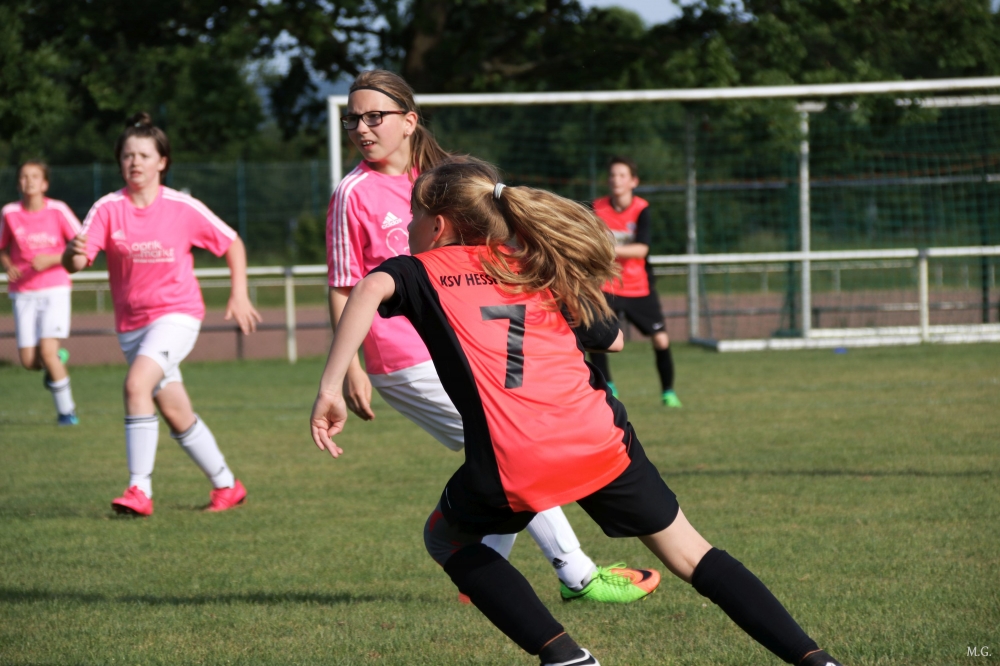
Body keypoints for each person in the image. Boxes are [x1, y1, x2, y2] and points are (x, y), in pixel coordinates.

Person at [310, 158, 844, 666]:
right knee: (692, 555)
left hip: (516, 456)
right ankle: (814, 658)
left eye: (413, 216)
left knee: (445, 539)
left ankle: (564, 654)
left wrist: (331, 385)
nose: (408, 226)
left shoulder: (421, 270)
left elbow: (369, 287)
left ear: (439, 225)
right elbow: (612, 341)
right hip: (599, 437)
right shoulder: (532, 265)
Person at [326, 69, 656, 602]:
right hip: (405, 356)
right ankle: (576, 574)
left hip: (475, 344)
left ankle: (483, 571)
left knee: (510, 453)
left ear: (409, 121)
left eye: (374, 116)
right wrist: (349, 369)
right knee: (514, 447)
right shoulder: (352, 193)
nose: (362, 128)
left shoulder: (444, 178)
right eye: (353, 119)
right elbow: (347, 285)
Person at [62, 112, 261, 516]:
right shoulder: (107, 208)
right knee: (175, 411)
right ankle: (227, 486)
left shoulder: (181, 207)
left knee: (136, 385)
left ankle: (139, 489)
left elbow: (232, 243)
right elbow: (78, 261)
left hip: (177, 314)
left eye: (143, 155)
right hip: (131, 326)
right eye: (127, 155)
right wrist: (70, 255)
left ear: (162, 162)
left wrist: (239, 294)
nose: (134, 162)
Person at [589, 156, 681, 407]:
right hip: (606, 285)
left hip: (638, 287)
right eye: (612, 175)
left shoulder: (641, 209)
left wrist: (607, 248)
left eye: (622, 175)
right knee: (596, 337)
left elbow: (641, 249)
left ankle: (668, 392)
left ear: (633, 181)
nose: (616, 180)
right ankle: (607, 385)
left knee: (661, 339)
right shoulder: (596, 208)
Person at [1, 161, 82, 425]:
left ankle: (67, 413)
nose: (29, 181)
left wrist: (53, 259)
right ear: (18, 183)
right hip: (23, 293)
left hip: (55, 288)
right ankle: (57, 360)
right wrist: (8, 266)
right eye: (24, 176)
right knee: (29, 361)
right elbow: (2, 248)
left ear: (45, 183)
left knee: (46, 351)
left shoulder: (58, 210)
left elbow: (81, 242)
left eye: (35, 176)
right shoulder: (9, 212)